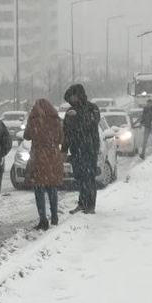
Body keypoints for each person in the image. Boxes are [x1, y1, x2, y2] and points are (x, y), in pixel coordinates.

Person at [24, 98, 64, 230]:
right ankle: (54, 216)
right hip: (53, 157)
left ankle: (43, 219)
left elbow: (26, 136)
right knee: (52, 187)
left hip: (38, 157)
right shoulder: (56, 120)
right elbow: (61, 138)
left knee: (39, 188)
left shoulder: (34, 120)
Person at [61, 84, 101, 214]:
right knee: (79, 177)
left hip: (89, 149)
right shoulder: (69, 112)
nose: (71, 101)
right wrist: (64, 149)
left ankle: (90, 205)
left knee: (89, 177)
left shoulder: (92, 108)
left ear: (78, 95)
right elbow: (66, 132)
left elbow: (92, 123)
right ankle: (82, 203)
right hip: (76, 149)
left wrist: (78, 115)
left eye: (72, 97)